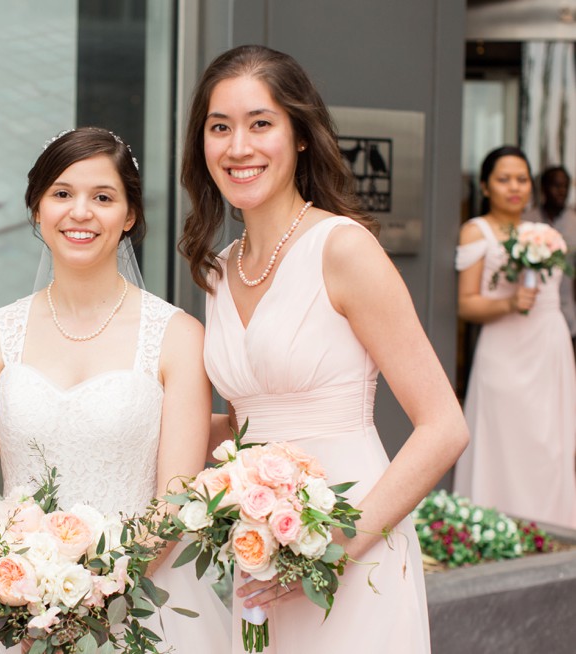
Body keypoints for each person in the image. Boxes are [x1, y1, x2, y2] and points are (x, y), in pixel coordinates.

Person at [179, 45, 468, 652]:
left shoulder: (343, 248)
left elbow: (444, 427)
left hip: (351, 539)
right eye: (220, 127)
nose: (239, 147)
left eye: (261, 124)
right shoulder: (218, 270)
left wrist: (336, 548)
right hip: (260, 549)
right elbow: (245, 421)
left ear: (301, 135)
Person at [0, 127, 231, 652]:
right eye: (62, 194)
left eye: (102, 197)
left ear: (128, 217)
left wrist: (92, 598)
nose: (80, 212)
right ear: (37, 209)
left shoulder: (178, 337)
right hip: (16, 611)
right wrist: (25, 590)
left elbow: (175, 498)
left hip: (143, 603)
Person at [454, 147, 576, 528]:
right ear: (486, 186)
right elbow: (467, 305)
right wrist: (509, 304)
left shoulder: (545, 234)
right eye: (504, 179)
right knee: (504, 442)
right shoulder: (477, 230)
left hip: (549, 348)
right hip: (503, 354)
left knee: (549, 445)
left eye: (521, 179)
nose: (514, 187)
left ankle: (551, 529)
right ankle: (498, 528)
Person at [523, 165, 576, 354]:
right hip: (530, 311)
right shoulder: (526, 221)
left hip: (568, 312)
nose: (562, 192)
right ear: (544, 188)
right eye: (556, 186)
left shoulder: (574, 222)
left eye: (565, 187)